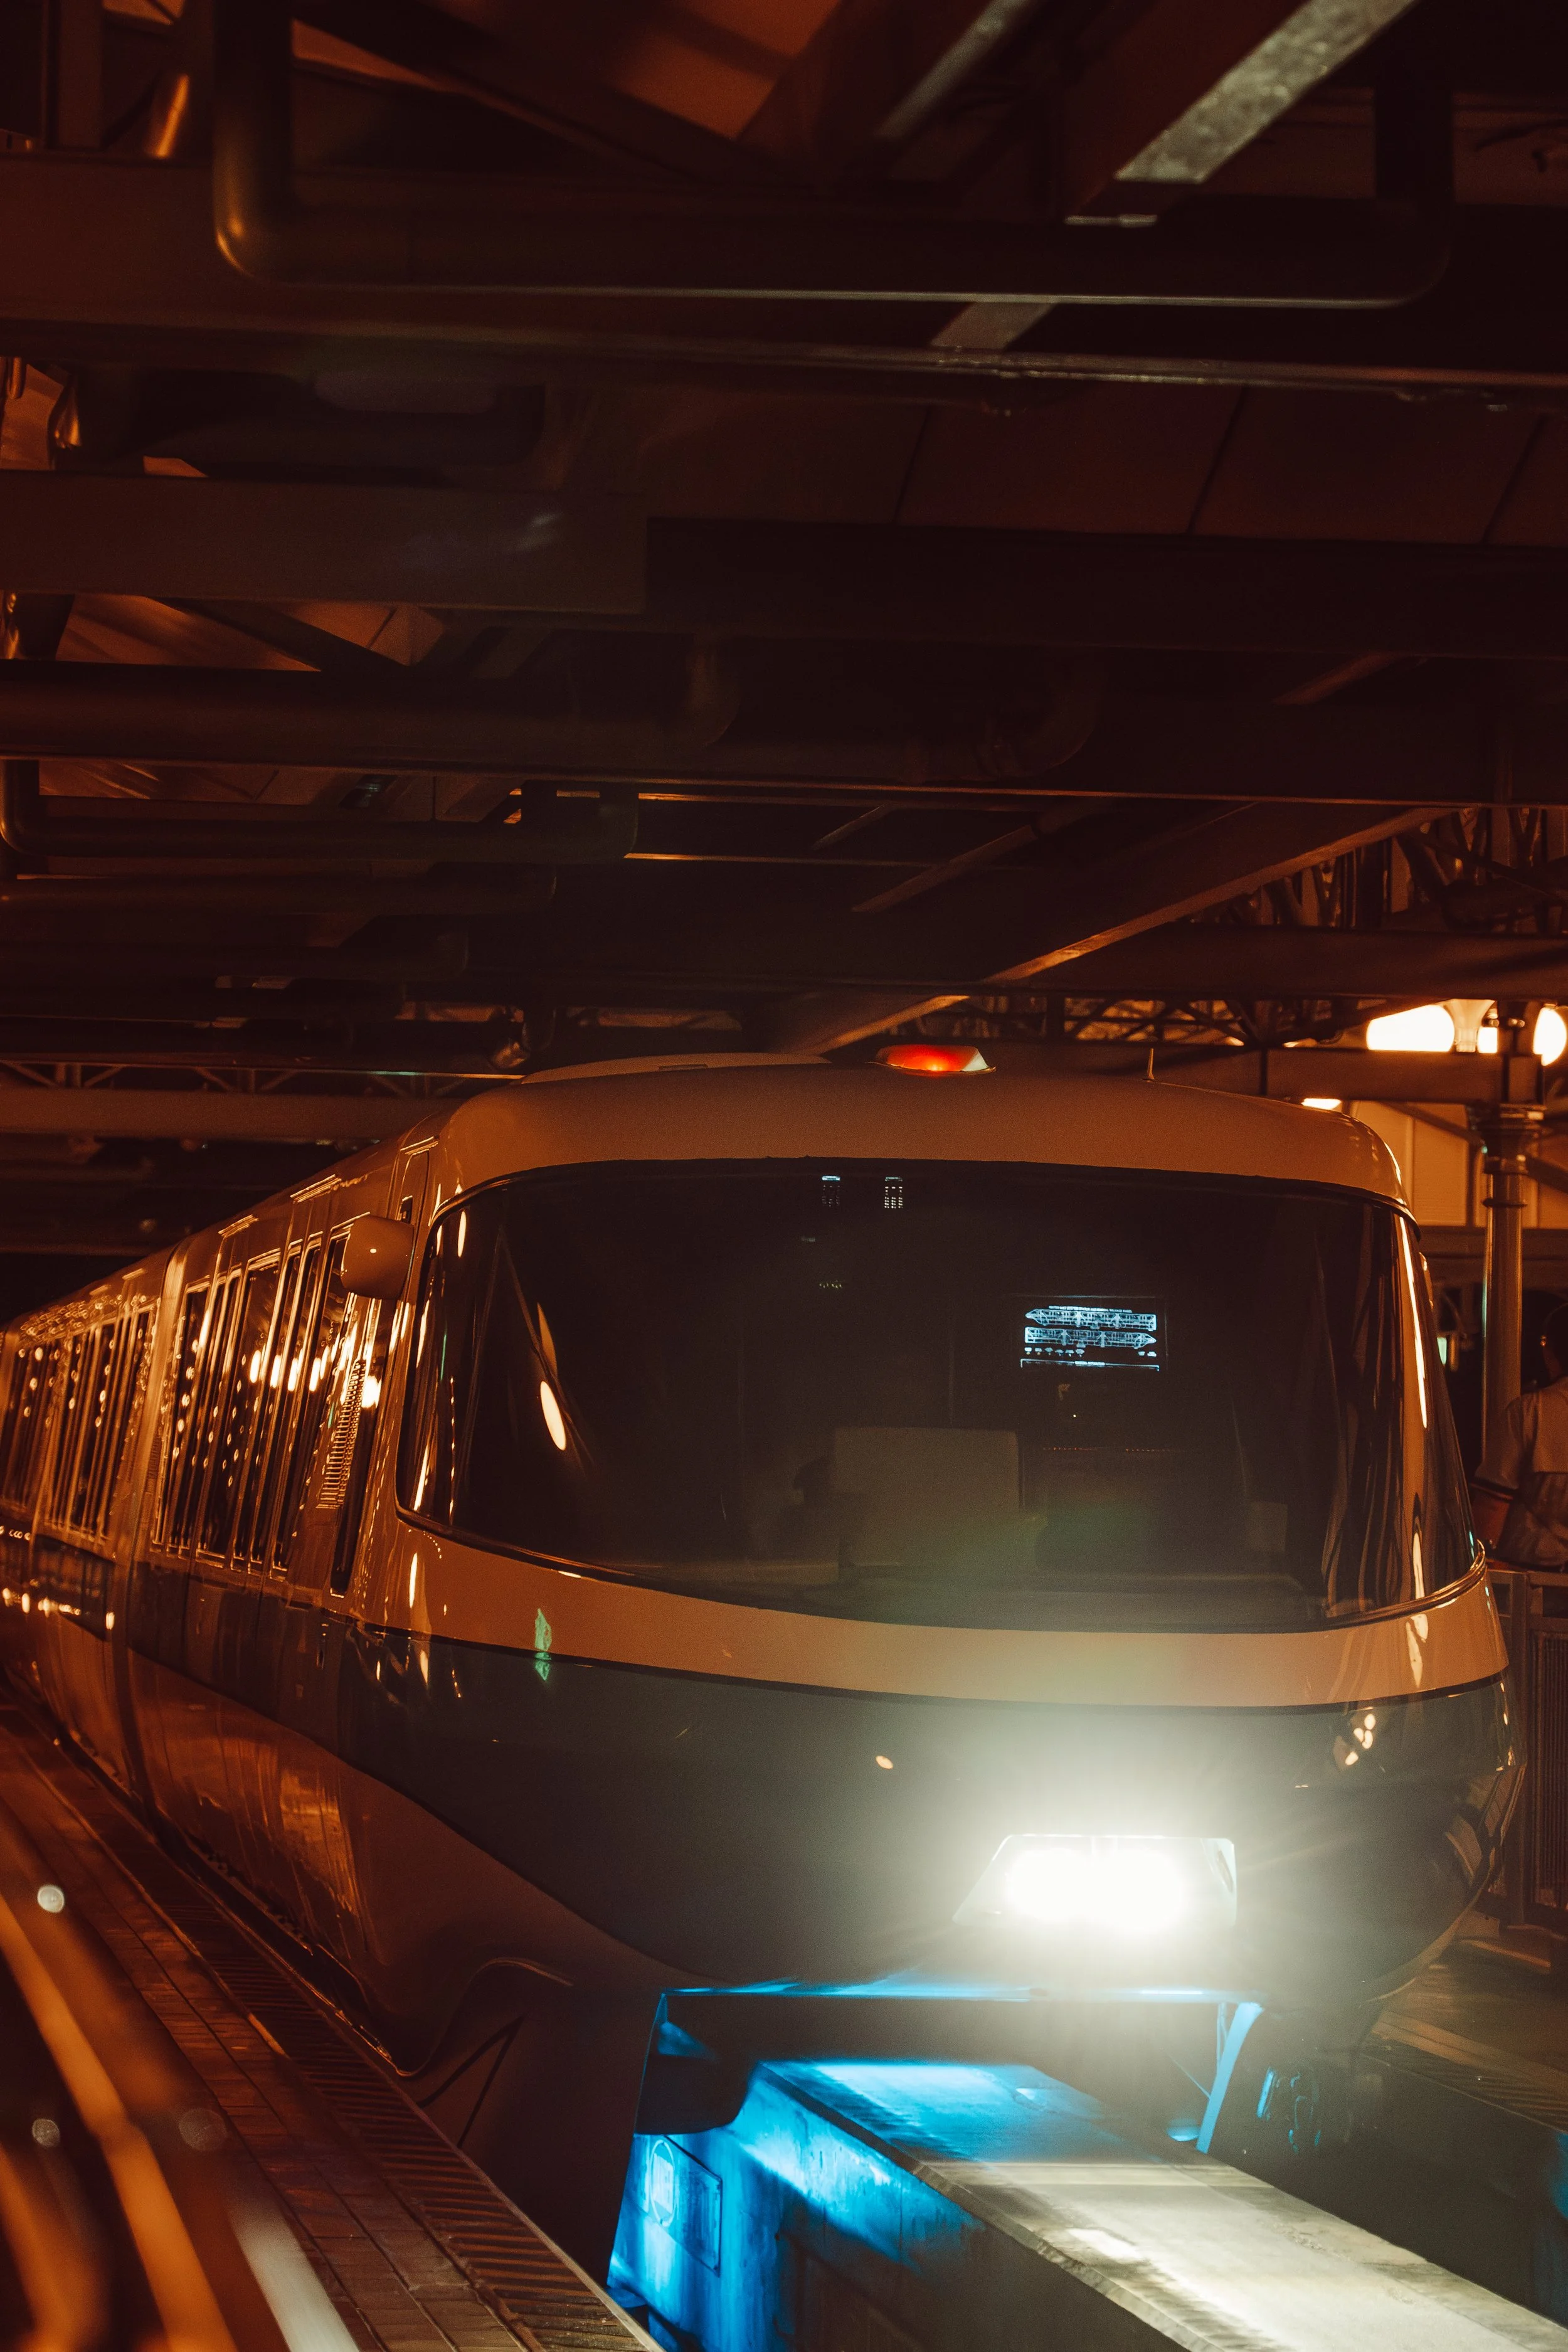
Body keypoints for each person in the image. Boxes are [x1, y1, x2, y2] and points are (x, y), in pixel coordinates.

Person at [1473, 1301, 1568, 1567]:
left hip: (1533, 1587)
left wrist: (1479, 1565)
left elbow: (1491, 1508)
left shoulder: (1530, 1412)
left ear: (1550, 1352)